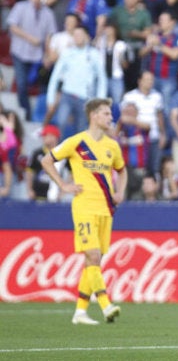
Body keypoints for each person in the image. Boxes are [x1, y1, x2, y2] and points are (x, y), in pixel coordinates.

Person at [40, 98, 126, 325]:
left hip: (106, 209)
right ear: (94, 115)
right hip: (84, 207)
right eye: (107, 114)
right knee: (93, 256)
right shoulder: (77, 142)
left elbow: (122, 170)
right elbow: (46, 161)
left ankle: (80, 312)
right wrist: (63, 185)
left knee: (94, 262)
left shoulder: (112, 146)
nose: (111, 118)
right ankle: (106, 305)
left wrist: (120, 192)